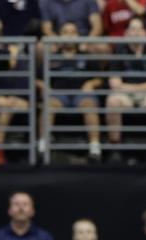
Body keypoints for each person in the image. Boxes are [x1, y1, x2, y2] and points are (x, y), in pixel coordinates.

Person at [105, 17, 146, 164]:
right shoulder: (118, 53)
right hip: (125, 97)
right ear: (126, 33)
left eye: (139, 29)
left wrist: (130, 87)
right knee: (112, 101)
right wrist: (140, 88)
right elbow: (114, 83)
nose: (136, 33)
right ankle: (115, 149)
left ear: (145, 33)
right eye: (132, 29)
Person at [38, 22, 103, 163]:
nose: (69, 35)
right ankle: (43, 147)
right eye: (65, 32)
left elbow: (100, 78)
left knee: (89, 105)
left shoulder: (87, 56)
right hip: (58, 94)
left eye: (72, 32)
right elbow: (37, 78)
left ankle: (95, 148)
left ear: (78, 36)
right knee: (48, 105)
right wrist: (44, 86)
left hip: (82, 94)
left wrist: (91, 83)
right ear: (60, 36)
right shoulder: (52, 57)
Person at [0, 17, 29, 165]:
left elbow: (22, 85)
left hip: (13, 100)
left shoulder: (13, 54)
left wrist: (13, 57)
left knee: (10, 104)